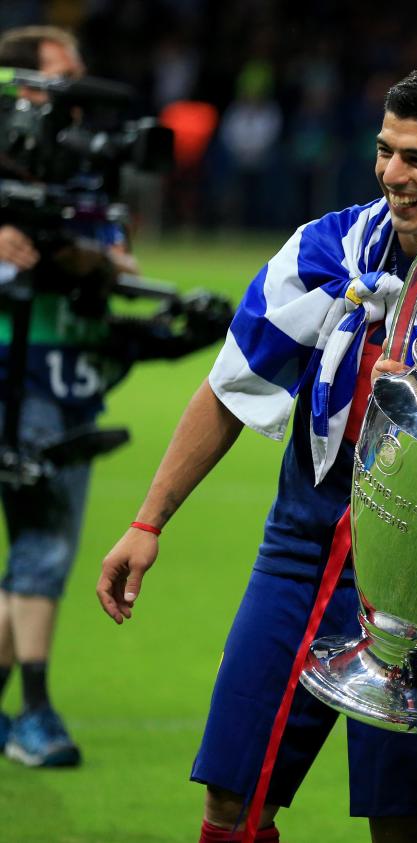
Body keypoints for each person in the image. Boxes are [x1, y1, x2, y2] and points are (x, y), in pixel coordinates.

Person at [96, 67, 417, 843]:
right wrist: (149, 520)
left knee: (403, 820)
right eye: (385, 152)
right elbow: (231, 384)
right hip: (301, 544)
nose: (391, 175)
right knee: (233, 800)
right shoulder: (329, 249)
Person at [0, 25, 132, 768]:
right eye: (61, 79)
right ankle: (36, 714)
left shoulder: (79, 173)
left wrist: (107, 258)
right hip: (21, 370)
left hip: (65, 368)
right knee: (44, 546)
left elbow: (107, 256)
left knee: (33, 545)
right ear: (20, 90)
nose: (77, 94)